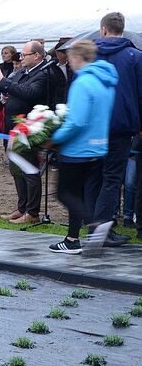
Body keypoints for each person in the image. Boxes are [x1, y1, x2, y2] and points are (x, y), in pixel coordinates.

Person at [48, 40, 117, 255]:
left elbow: (76, 121)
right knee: (79, 196)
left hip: (76, 149)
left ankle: (94, 225)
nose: (69, 62)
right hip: (98, 148)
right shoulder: (105, 82)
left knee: (64, 194)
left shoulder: (82, 82)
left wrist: (55, 138)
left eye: (70, 58)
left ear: (78, 57)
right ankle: (72, 239)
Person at [87, 12, 142, 247]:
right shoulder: (135, 56)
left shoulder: (90, 56)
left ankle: (95, 226)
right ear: (122, 29)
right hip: (121, 126)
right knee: (111, 178)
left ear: (103, 29)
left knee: (94, 176)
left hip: (93, 125)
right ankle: (101, 230)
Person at [0, 41, 50, 225]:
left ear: (37, 56)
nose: (21, 58)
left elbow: (28, 93)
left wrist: (5, 82)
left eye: (24, 55)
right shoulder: (24, 72)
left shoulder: (43, 74)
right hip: (14, 128)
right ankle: (22, 208)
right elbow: (9, 87)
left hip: (30, 129)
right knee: (16, 170)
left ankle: (32, 212)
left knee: (29, 170)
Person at [0, 46, 19, 168]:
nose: (3, 55)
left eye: (6, 53)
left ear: (13, 54)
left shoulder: (17, 67)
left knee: (8, 129)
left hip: (10, 102)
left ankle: (8, 156)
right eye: (2, 53)